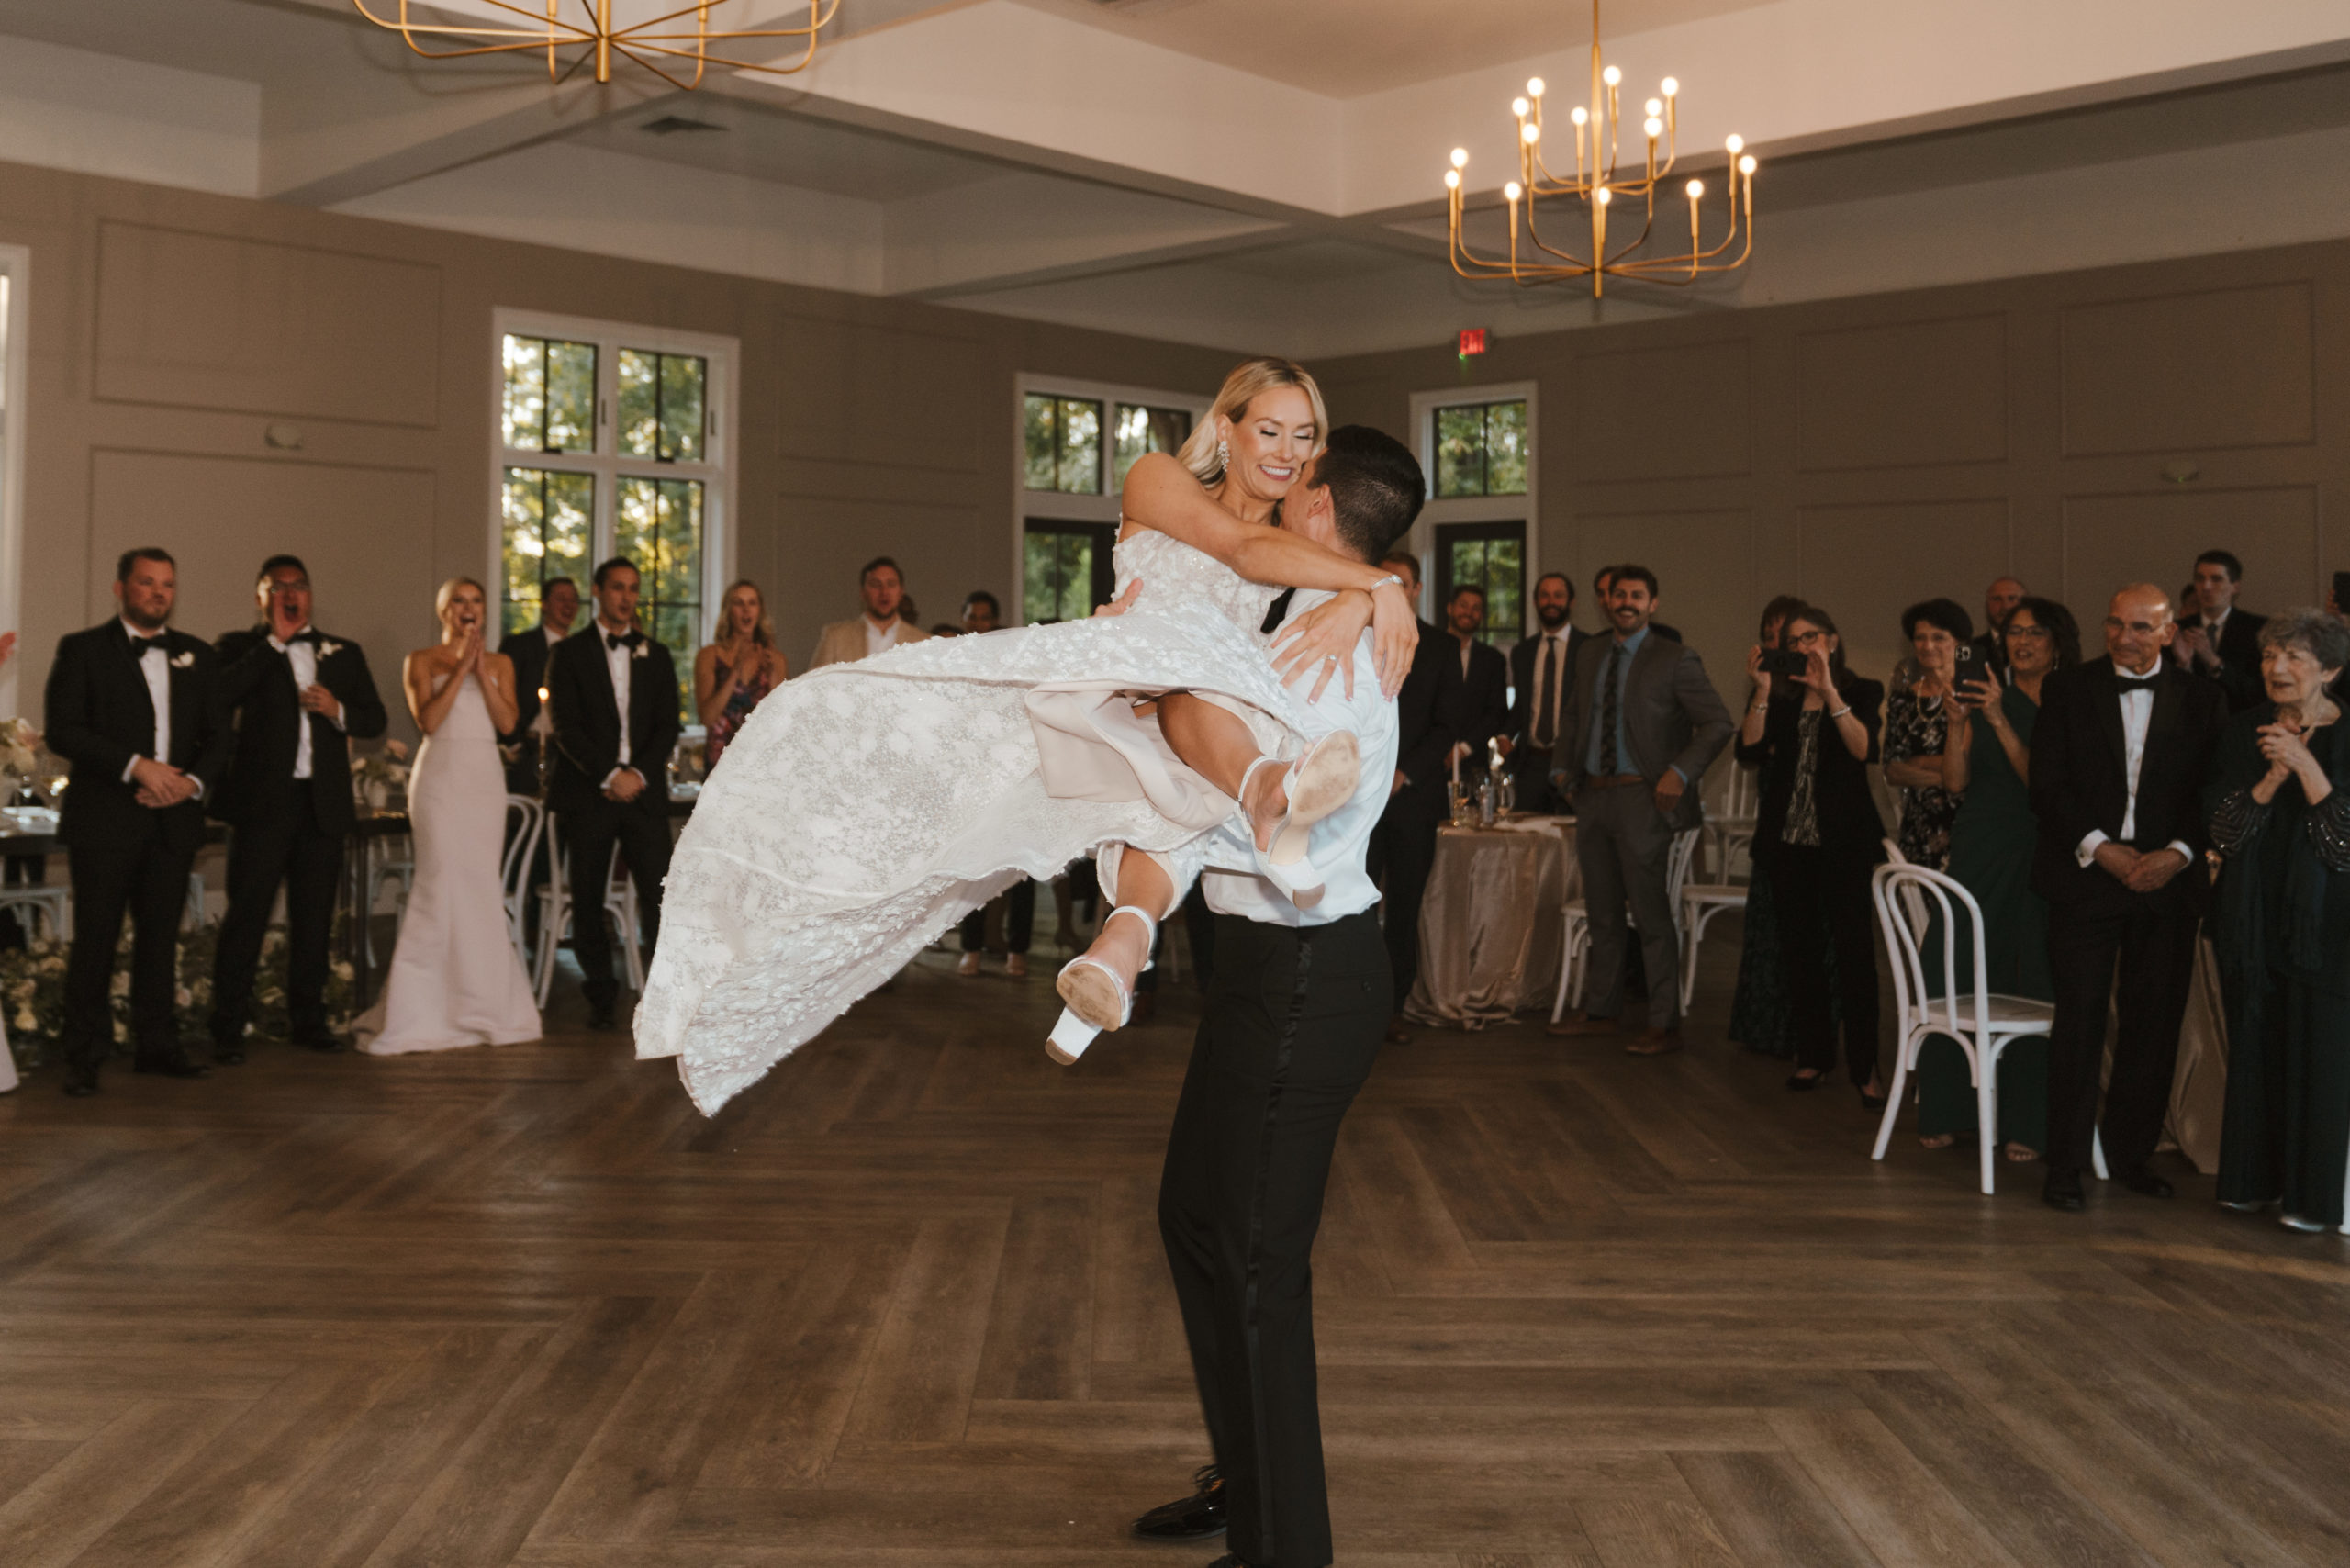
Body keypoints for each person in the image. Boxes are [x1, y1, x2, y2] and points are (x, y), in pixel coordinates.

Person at [636, 361, 1421, 1114]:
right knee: (912, 842)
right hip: (1109, 677)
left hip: (1184, 716)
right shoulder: (1159, 476)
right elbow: (1248, 554)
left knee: (1168, 804)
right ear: (1226, 427)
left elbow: (1325, 564)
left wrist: (1362, 597)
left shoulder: (1298, 551)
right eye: (1270, 431)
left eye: (1303, 436)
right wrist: (1378, 586)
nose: (1287, 453)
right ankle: (1259, 794)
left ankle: (1121, 948)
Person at [1131, 453, 1415, 1568]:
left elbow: (1201, 727)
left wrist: (1372, 592)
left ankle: (1283, 1549)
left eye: (1303, 466)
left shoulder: (1325, 637)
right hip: (1262, 971)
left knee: (1255, 1263)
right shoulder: (1327, 610)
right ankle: (1245, 1478)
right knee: (1193, 1218)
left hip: (1309, 974)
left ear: (1312, 507)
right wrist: (1375, 585)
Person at [2031, 584, 2229, 1212]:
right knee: (2080, 1022)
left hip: (2166, 882)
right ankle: (2063, 1165)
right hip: (2086, 876)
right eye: (2116, 624)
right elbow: (2048, 785)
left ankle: (2129, 1154)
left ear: (2170, 632)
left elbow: (2213, 792)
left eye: (2141, 627)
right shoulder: (2068, 689)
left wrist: (2177, 854)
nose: (2125, 637)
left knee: (2153, 1024)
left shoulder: (2205, 698)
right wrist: (2100, 847)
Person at [42, 548, 233, 1095]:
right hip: (105, 820)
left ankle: (158, 1047)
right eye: (147, 583)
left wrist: (189, 785)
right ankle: (83, 1056)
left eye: (168, 584)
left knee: (159, 940)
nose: (159, 593)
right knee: (96, 940)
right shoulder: (82, 650)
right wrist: (137, 768)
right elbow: (63, 730)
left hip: (173, 822)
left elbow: (220, 736)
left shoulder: (198, 654)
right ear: (120, 588)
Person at [1913, 596, 2080, 1161]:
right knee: (1952, 963)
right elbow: (1955, 783)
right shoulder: (1981, 690)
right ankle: (1946, 1108)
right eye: (2013, 632)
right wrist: (1959, 723)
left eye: (2034, 632)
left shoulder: (2071, 698)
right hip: (1981, 842)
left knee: (2032, 972)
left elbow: (2045, 786)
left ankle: (2025, 1122)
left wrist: (2000, 720)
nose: (2022, 641)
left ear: (2057, 640)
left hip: (2041, 842)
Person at [1549, 566, 1733, 1054]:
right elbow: (1573, 717)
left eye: (1636, 595)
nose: (1625, 602)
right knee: (1602, 913)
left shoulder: (1675, 659)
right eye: (1618, 595)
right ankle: (1602, 1012)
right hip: (1593, 797)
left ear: (1653, 604)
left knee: (1650, 915)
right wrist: (1562, 773)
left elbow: (1717, 724)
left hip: (1643, 801)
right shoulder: (1589, 653)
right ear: (1606, 602)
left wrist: (1680, 772)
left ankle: (1663, 1021)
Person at [352, 578, 542, 1055]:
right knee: (438, 883)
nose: (468, 607)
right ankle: (420, 1011)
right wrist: (460, 669)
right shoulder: (420, 661)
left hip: (483, 779)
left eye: (475, 601)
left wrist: (482, 671)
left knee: (479, 885)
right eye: (458, 600)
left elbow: (506, 724)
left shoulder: (501, 664)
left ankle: (484, 1007)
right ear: (443, 610)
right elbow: (429, 721)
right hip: (439, 780)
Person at [209, 555, 388, 1058]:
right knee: (248, 917)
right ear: (260, 597)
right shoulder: (239, 647)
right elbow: (220, 695)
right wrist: (276, 644)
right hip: (263, 806)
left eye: (300, 586)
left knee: (314, 922)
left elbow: (374, 719)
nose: (291, 594)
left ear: (311, 595)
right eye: (279, 586)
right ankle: (227, 1027)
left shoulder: (343, 653)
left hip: (322, 806)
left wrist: (339, 712)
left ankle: (308, 1022)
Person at [2207, 610, 2350, 1234]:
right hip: (2253, 916)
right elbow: (2225, 834)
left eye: (2293, 657)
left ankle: (2312, 1199)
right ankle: (2251, 1183)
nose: (2277, 668)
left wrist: (2308, 766)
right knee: (2257, 1043)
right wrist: (2271, 775)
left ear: (2331, 671)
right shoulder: (2241, 731)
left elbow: (2345, 846)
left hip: (2329, 927)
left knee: (2320, 1054)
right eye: (2269, 657)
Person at [1736, 603, 1886, 1102]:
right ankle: (1814, 1055)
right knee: (1799, 955)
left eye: (1811, 638)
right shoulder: (1780, 698)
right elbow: (1750, 753)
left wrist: (1829, 693)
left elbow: (1864, 749)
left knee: (1854, 958)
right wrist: (1761, 690)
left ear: (1833, 640)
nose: (1802, 647)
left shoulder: (1862, 690)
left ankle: (1866, 1069)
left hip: (1843, 844)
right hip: (1788, 845)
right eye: (1794, 641)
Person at [544, 557, 681, 1031]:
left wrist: (639, 773)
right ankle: (601, 992)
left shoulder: (656, 654)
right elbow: (566, 727)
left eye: (633, 589)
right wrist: (608, 774)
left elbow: (668, 725)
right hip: (589, 794)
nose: (626, 597)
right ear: (598, 591)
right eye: (618, 588)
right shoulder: (569, 654)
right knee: (587, 898)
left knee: (660, 896)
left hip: (643, 795)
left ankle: (665, 994)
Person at [1365, 550, 1449, 1043]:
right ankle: (1354, 1003)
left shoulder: (1439, 646)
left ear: (1416, 589)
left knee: (1403, 908)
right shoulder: (1357, 633)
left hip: (1414, 802)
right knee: (1354, 907)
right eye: (1385, 580)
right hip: (1360, 800)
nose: (1395, 587)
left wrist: (1405, 772)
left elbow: (1447, 724)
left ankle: (1394, 1008)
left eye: (1402, 581)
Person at [1726, 593, 1813, 1060]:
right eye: (1770, 636)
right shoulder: (1767, 689)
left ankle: (1809, 1032)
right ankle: (1763, 1027)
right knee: (1767, 926)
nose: (1778, 643)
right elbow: (1749, 752)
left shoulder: (1826, 686)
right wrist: (1761, 690)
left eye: (1788, 636)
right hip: (1773, 817)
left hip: (1814, 824)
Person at [1883, 598, 1974, 869]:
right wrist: (1946, 774)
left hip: (1968, 821)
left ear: (1959, 642)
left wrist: (1919, 761)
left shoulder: (1977, 696)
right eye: (1920, 638)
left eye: (1938, 637)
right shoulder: (1903, 700)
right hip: (1919, 823)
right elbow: (1892, 770)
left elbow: (1973, 766)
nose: (1928, 646)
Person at [1500, 571, 1583, 814]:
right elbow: (1524, 706)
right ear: (1536, 602)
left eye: (1558, 595)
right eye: (1545, 596)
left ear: (1571, 602)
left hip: (1571, 763)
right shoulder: (1522, 652)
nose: (1551, 602)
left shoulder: (1588, 649)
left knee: (1571, 840)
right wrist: (1505, 734)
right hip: (1530, 763)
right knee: (1526, 840)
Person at [498, 575, 578, 795]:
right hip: (529, 749)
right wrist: (513, 744)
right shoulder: (520, 645)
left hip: (571, 755)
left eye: (573, 600)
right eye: (561, 599)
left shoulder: (581, 651)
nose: (568, 605)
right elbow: (502, 696)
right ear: (544, 604)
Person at [695, 579, 785, 771]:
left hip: (761, 765)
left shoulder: (775, 658)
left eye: (752, 603)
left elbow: (780, 720)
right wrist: (735, 670)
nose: (746, 610)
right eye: (739, 603)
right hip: (720, 765)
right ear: (728, 610)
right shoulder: (709, 655)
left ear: (760, 610)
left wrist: (771, 674)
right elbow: (707, 718)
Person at [1432, 584, 1510, 786]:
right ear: (1450, 608)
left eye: (1476, 608)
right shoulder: (1427, 650)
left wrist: (1463, 749)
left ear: (1482, 616)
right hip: (1429, 763)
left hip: (1473, 764)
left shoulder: (1493, 660)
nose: (1469, 612)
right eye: (1463, 605)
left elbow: (1496, 712)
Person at [2173, 549, 2268, 711]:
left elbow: (2260, 692)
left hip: (2237, 721)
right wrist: (2183, 665)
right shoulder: (2178, 629)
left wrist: (2214, 662)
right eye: (2200, 579)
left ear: (2235, 587)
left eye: (2216, 579)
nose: (2206, 586)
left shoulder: (2258, 629)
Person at [810, 557, 929, 669]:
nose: (884, 592)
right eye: (876, 584)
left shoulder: (923, 642)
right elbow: (812, 685)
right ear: (863, 592)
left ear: (901, 591)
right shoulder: (835, 637)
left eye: (891, 584)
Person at [1969, 576, 2026, 683]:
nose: (2005, 606)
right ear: (1987, 605)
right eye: (1997, 599)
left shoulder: (2041, 647)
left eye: (2012, 598)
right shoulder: (1972, 649)